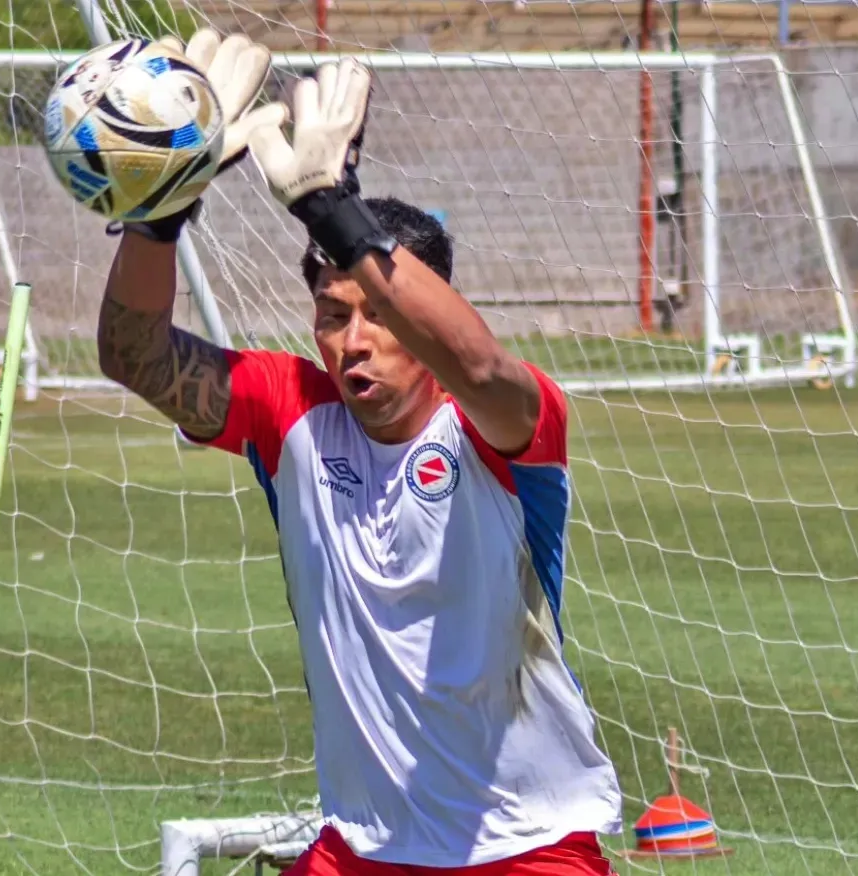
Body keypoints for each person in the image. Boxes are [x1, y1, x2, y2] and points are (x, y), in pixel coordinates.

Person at [96, 29, 622, 876]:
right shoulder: (289, 409)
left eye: (377, 315)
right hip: (363, 846)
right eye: (333, 316)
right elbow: (134, 356)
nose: (354, 341)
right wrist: (162, 215)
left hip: (530, 842)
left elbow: (479, 362)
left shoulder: (505, 429)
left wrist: (328, 206)